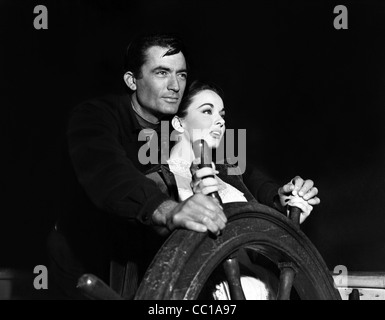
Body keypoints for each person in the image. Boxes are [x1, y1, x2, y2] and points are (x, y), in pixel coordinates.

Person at [47, 32, 319, 300]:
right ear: (132, 80)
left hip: (145, 265)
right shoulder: (96, 116)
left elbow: (240, 170)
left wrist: (277, 198)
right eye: (162, 73)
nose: (175, 85)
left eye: (182, 74)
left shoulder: (181, 128)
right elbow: (109, 173)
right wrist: (168, 210)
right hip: (83, 261)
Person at [144, 80, 320, 299]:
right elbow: (161, 268)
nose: (219, 121)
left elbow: (257, 249)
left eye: (222, 115)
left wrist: (289, 219)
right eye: (207, 111)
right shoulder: (155, 183)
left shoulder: (233, 178)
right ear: (179, 123)